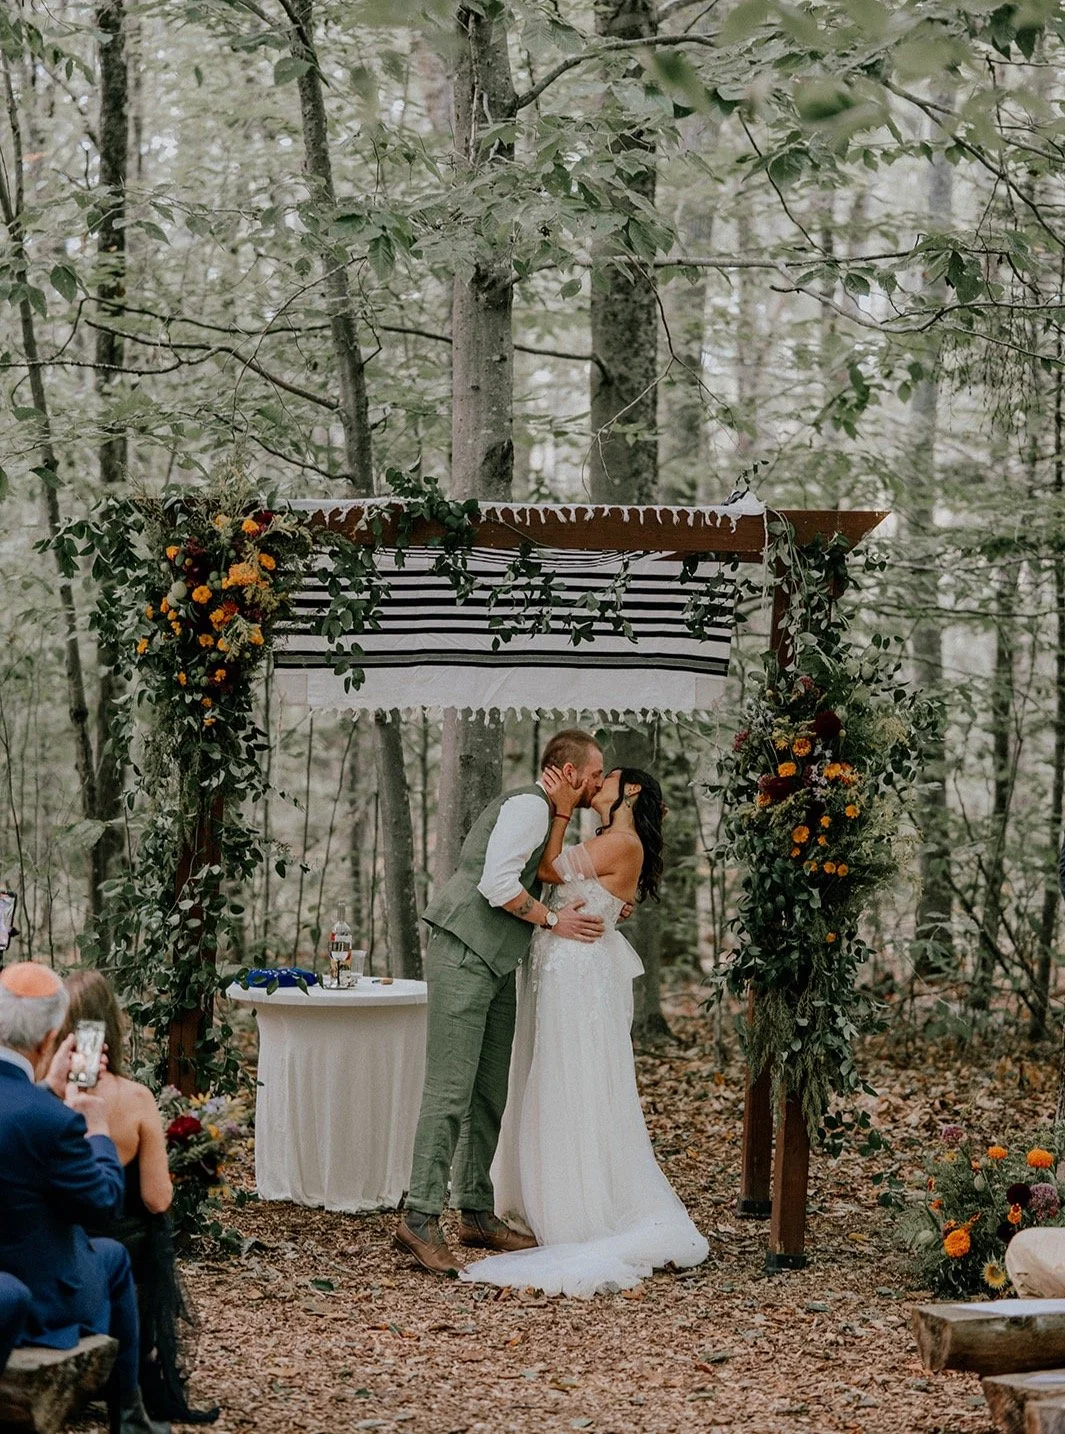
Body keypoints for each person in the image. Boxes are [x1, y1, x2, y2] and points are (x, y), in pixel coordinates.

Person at [459, 766, 709, 1297]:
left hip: (576, 972)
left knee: (569, 1076)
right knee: (548, 1072)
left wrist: (560, 810)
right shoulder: (612, 841)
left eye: (607, 780)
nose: (596, 786)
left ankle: (573, 1204)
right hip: (561, 964)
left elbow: (548, 868)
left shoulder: (621, 841)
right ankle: (536, 1193)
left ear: (631, 791)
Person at [396, 729, 608, 1275]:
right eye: (594, 774)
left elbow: (544, 872)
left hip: (496, 961)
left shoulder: (549, 813)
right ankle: (419, 1216)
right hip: (464, 952)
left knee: (489, 1092)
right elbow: (496, 884)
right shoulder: (528, 806)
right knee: (449, 1091)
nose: (598, 783)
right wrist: (554, 920)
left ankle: (475, 1211)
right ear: (568, 771)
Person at [0, 962, 167, 1434]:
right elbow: (102, 1202)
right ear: (50, 1039)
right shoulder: (55, 1121)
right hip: (33, 1299)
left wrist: (45, 1088)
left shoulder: (36, 1103)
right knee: (112, 1255)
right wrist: (96, 1130)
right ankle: (128, 1413)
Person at [60, 970, 219, 1424]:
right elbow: (156, 1198)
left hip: (63, 1240)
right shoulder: (135, 1098)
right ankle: (136, 1368)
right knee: (154, 1226)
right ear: (113, 1025)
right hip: (120, 1248)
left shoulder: (41, 1093)